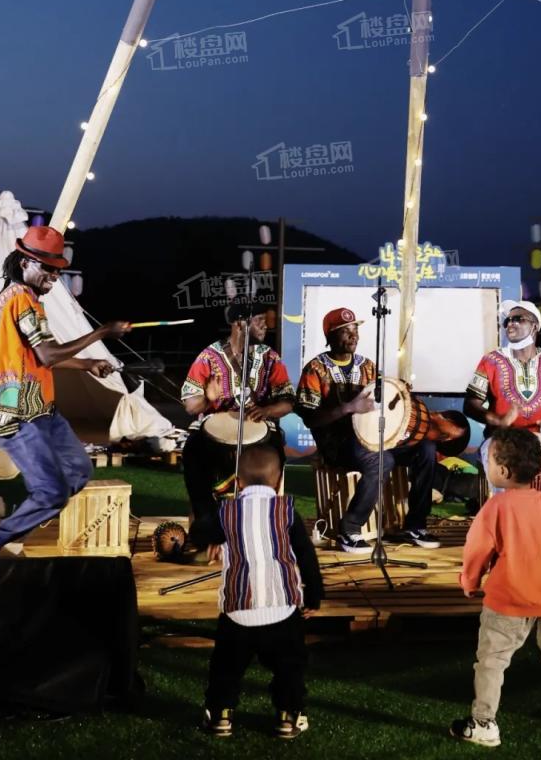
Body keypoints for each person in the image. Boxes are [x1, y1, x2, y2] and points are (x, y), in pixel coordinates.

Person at [0, 225, 130, 556]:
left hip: (41, 409)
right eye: (47, 268)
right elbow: (48, 354)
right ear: (25, 261)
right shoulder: (19, 300)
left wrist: (86, 365)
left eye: (58, 271)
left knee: (79, 471)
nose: (54, 277)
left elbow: (38, 357)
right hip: (15, 414)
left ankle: (35, 509)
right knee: (54, 492)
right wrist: (102, 332)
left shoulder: (26, 299)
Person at [451, 427, 541, 747]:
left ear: (502, 470)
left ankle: (484, 723)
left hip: (508, 600)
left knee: (491, 661)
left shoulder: (494, 508)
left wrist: (469, 583)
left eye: (488, 460)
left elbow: (476, 553)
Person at [199, 445, 323, 740]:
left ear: (238, 482)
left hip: (237, 610)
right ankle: (288, 716)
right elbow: (306, 557)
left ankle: (220, 716)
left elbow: (200, 534)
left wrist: (217, 537)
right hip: (283, 608)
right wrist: (314, 596)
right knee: (289, 667)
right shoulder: (288, 510)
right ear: (278, 479)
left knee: (225, 669)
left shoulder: (225, 511)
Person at [296, 307, 440, 553]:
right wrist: (349, 408)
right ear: (330, 337)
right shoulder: (315, 369)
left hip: (374, 438)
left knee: (425, 449)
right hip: (337, 444)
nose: (353, 336)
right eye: (345, 331)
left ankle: (415, 524)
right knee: (381, 461)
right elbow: (311, 418)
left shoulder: (368, 367)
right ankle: (349, 530)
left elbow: (384, 401)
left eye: (355, 330)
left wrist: (399, 393)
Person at [463, 299, 541, 537]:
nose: (511, 323)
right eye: (508, 320)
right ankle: (505, 536)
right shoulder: (490, 361)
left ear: (534, 327)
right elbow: (470, 404)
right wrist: (497, 420)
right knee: (493, 454)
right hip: (503, 438)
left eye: (519, 319)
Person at [181, 300, 295, 526]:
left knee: (275, 446)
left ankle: (263, 522)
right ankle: (206, 523)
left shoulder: (270, 358)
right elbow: (190, 405)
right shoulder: (208, 357)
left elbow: (288, 401)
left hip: (259, 430)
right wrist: (207, 399)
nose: (265, 326)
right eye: (259, 320)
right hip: (214, 431)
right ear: (240, 324)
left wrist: (267, 410)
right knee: (192, 450)